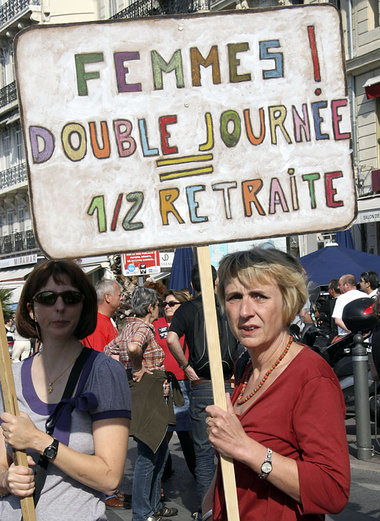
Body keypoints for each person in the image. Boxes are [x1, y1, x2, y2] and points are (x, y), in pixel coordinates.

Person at [203, 248, 350, 521]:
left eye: (259, 296)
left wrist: (245, 447)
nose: (245, 311)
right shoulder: (246, 367)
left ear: (288, 302)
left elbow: (333, 490)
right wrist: (210, 504)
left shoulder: (311, 377)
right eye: (234, 297)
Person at [0, 260, 131, 521]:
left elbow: (109, 477)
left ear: (83, 307)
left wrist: (38, 440)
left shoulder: (103, 372)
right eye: (47, 298)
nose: (59, 307)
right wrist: (7, 480)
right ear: (32, 309)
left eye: (71, 298)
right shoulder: (8, 378)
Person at [167, 264, 239, 520]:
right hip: (230, 383)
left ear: (193, 284)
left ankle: (209, 510)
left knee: (204, 452)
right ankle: (234, 504)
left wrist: (186, 367)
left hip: (200, 385)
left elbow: (171, 338)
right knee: (233, 447)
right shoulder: (229, 306)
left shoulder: (186, 309)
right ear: (216, 282)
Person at [104, 287, 178, 521]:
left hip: (145, 393)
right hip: (148, 394)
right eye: (157, 304)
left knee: (159, 450)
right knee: (149, 455)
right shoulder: (143, 327)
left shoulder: (129, 326)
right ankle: (142, 512)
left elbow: (109, 350)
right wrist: (137, 367)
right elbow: (134, 348)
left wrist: (127, 369)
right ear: (150, 308)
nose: (159, 307)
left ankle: (153, 507)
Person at [154, 290, 196, 480]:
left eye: (172, 303)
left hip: (186, 382)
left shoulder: (189, 322)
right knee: (165, 431)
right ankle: (163, 472)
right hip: (163, 383)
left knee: (187, 431)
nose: (167, 307)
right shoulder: (156, 325)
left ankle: (197, 473)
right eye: (165, 304)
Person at [82, 278, 122, 351]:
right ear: (108, 297)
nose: (122, 298)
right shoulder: (96, 323)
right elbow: (97, 358)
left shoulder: (105, 319)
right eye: (119, 295)